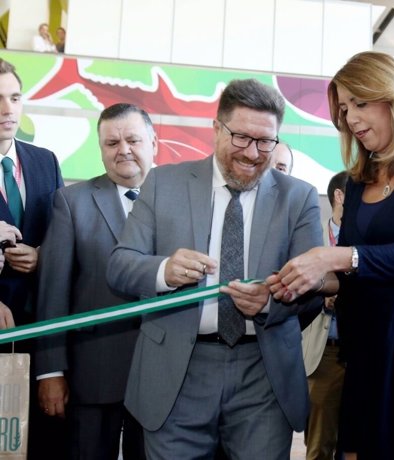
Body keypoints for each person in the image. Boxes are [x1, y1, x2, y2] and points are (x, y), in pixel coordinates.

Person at [269, 51, 394, 459]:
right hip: (368, 339)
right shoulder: (360, 176)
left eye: (361, 103)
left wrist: (335, 258)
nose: (352, 118)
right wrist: (302, 278)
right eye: (344, 109)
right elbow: (355, 271)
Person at [106, 78, 323, 459]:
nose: (253, 153)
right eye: (240, 137)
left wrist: (270, 303)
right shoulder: (164, 183)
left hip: (263, 376)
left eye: (265, 142)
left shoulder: (299, 197)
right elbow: (121, 266)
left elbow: (315, 289)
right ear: (216, 129)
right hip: (177, 373)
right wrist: (164, 271)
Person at [35, 103, 156, 460]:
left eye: (133, 140)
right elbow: (52, 292)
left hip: (162, 380)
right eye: (111, 143)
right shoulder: (72, 202)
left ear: (153, 141)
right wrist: (50, 371)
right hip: (93, 377)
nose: (123, 150)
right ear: (101, 149)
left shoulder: (180, 200)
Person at [0, 57, 66, 459]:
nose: (7, 110)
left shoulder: (45, 160)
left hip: (39, 331)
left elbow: (63, 237)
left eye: (14, 97)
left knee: (36, 442)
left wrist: (44, 256)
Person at [301, 170, 348, 460]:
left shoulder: (373, 240)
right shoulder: (309, 237)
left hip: (363, 353)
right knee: (319, 444)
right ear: (339, 196)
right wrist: (323, 296)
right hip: (324, 352)